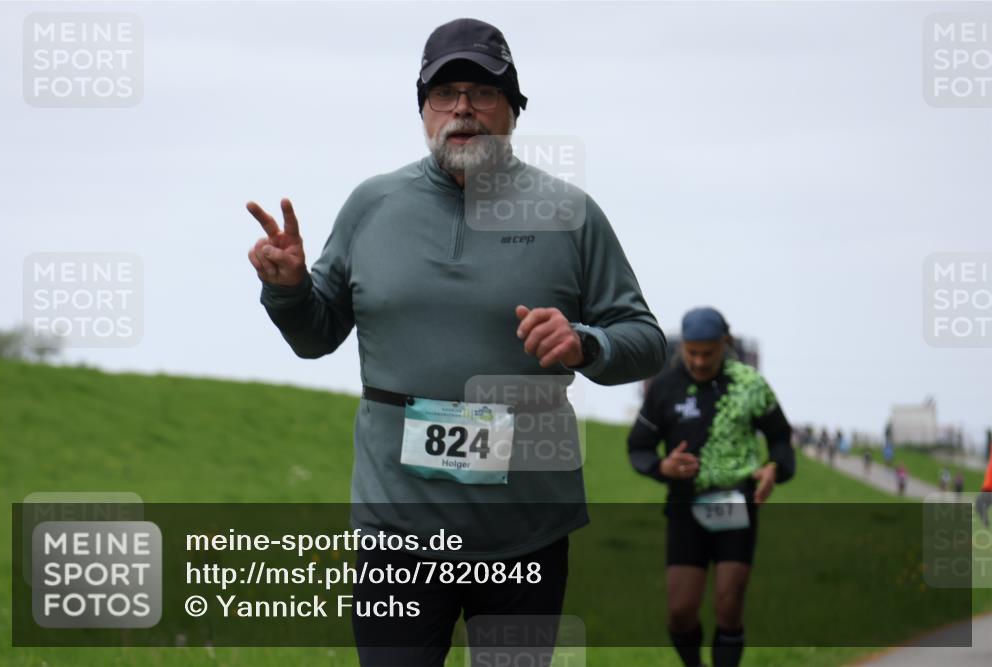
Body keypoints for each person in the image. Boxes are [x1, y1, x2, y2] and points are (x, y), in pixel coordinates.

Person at [247, 18, 666, 666]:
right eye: (445, 92)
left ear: (513, 110)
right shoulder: (372, 205)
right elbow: (317, 334)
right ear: (423, 110)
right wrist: (290, 288)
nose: (462, 107)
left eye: (482, 91)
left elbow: (644, 340)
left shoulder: (571, 215)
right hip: (398, 530)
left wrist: (584, 343)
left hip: (527, 529)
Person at [627, 307, 795, 667]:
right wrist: (663, 467)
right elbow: (638, 447)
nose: (700, 362)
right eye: (692, 352)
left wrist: (774, 469)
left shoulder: (749, 384)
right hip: (685, 506)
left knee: (728, 604)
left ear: (725, 344)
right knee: (680, 612)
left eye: (708, 352)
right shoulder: (665, 388)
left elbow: (781, 438)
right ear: (682, 348)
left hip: (737, 502)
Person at [976, 445, 992, 527]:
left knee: (979, 505)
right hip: (986, 489)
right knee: (980, 505)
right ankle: (986, 523)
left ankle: (986, 523)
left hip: (989, 490)